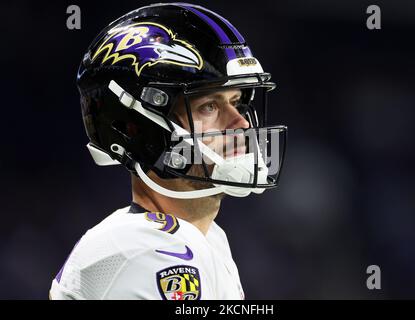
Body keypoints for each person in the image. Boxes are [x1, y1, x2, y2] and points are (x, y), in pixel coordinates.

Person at [49, 2, 287, 300]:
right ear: (140, 129)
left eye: (236, 102)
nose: (239, 123)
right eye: (209, 106)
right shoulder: (147, 249)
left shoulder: (205, 237)